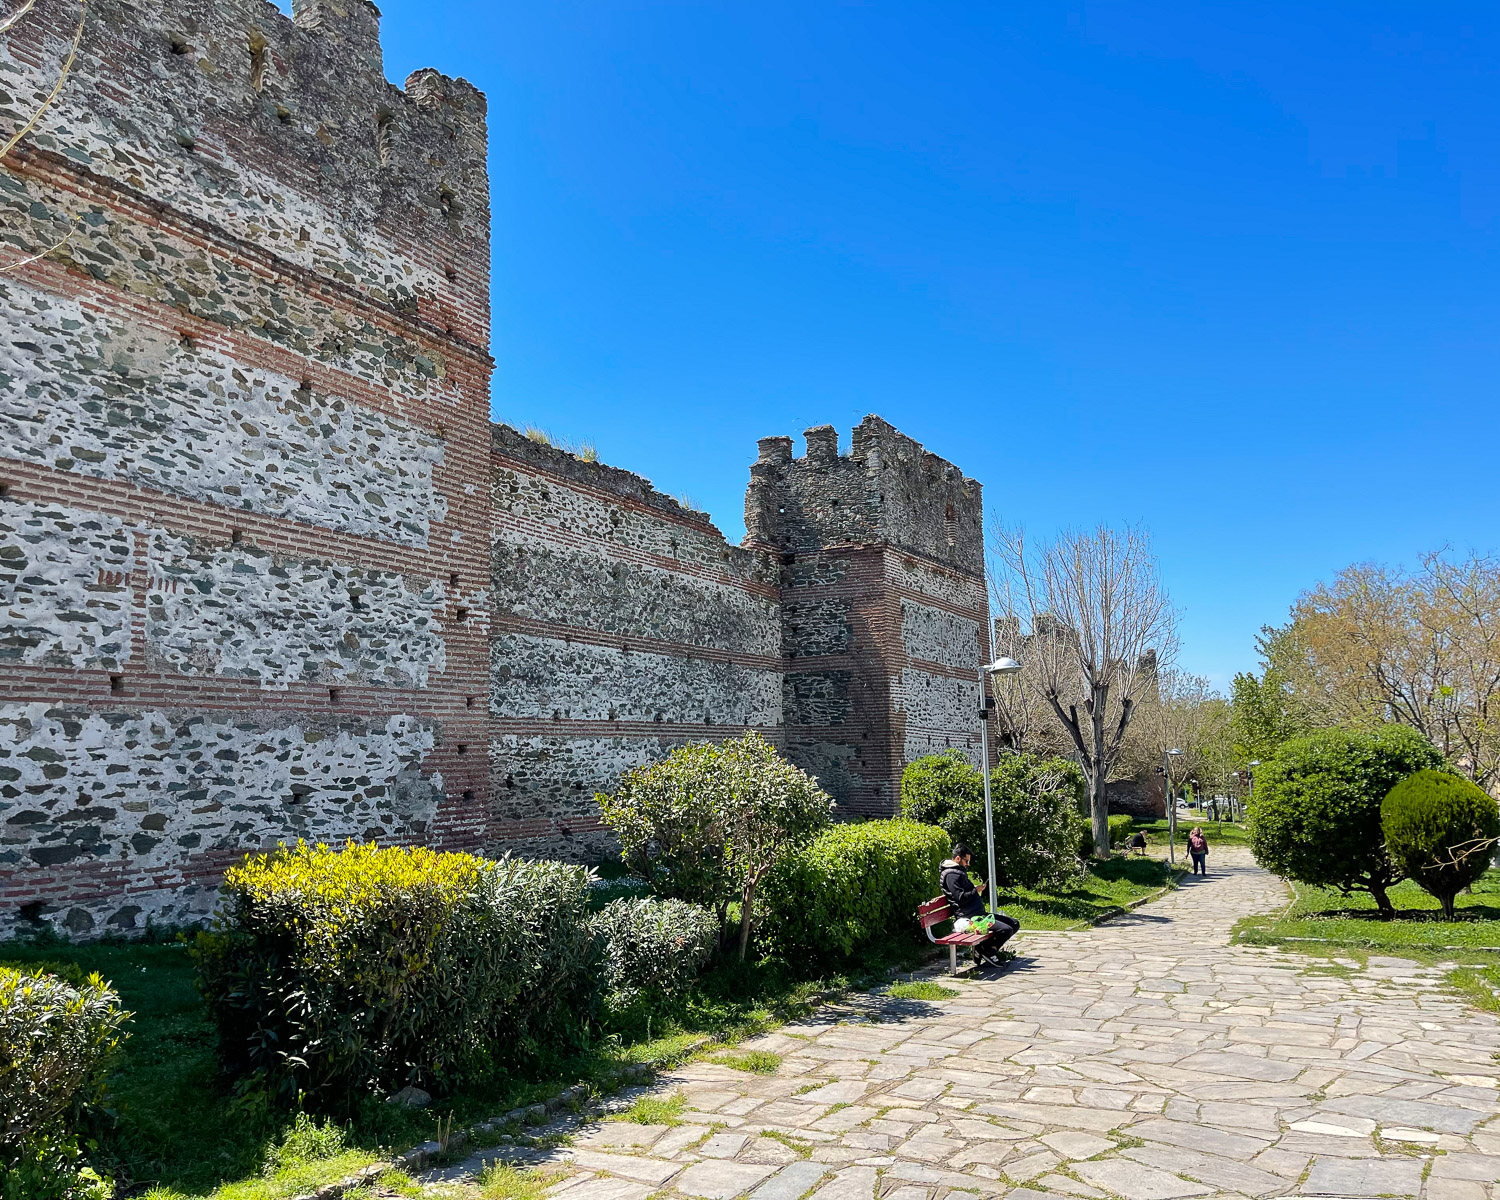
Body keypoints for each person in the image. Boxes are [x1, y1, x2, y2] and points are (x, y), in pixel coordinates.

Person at [939, 843, 1021, 964]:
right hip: (969, 917)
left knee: (1014, 923)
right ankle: (987, 951)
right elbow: (960, 898)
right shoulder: (951, 875)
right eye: (966, 861)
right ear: (958, 859)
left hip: (977, 913)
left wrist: (975, 890)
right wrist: (975, 890)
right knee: (1006, 930)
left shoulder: (957, 872)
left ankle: (982, 949)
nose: (968, 864)